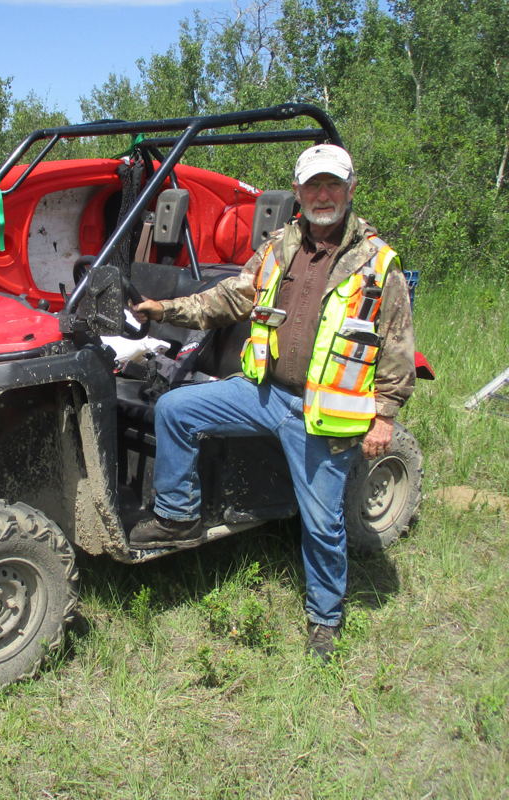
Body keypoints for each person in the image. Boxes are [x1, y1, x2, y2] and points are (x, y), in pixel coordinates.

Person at [129, 144, 415, 661]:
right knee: (175, 409)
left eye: (332, 185)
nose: (323, 195)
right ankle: (178, 515)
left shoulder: (377, 262)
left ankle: (324, 619)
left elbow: (396, 344)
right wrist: (164, 308)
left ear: (350, 189)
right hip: (263, 392)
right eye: (313, 186)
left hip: (322, 413)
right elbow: (230, 297)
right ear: (299, 192)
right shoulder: (280, 246)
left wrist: (385, 416)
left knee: (322, 523)